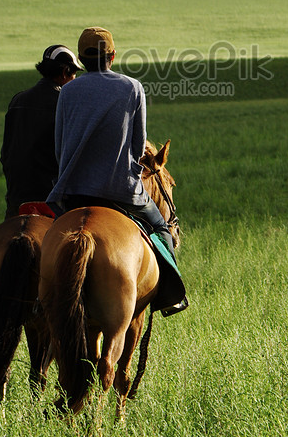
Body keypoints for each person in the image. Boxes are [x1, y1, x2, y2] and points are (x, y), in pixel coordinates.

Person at [47, 26, 187, 313]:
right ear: (112, 55)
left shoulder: (68, 91)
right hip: (120, 190)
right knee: (160, 226)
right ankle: (171, 296)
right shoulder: (131, 87)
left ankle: (40, 300)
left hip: (72, 192)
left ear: (82, 61)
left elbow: (59, 145)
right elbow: (138, 146)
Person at [0, 44, 78, 218]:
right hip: (52, 200)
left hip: (16, 198)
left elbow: (5, 153)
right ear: (65, 72)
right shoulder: (65, 103)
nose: (74, 80)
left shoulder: (17, 100)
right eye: (74, 74)